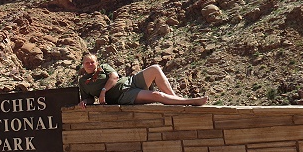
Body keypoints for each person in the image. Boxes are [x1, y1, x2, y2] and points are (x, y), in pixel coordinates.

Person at [78, 52, 208, 108]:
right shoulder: (83, 81)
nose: (90, 65)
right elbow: (89, 98)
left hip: (130, 81)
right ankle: (190, 102)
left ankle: (176, 99)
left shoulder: (104, 67)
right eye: (87, 63)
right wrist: (84, 101)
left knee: (155, 68)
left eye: (92, 62)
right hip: (123, 95)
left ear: (96, 63)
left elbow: (114, 77)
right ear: (83, 65)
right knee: (157, 95)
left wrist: (103, 91)